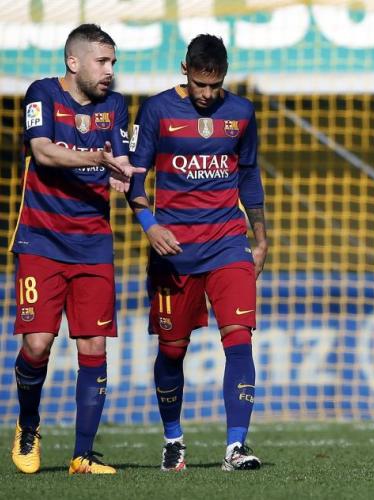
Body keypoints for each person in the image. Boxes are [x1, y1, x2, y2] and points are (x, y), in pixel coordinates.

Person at [127, 34, 268, 471]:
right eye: (200, 84)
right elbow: (134, 180)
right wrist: (150, 226)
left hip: (228, 243)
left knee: (239, 340)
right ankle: (173, 439)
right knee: (172, 349)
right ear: (184, 69)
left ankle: (235, 447)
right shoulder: (156, 110)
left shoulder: (241, 112)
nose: (207, 93)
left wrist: (261, 237)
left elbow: (249, 175)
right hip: (175, 251)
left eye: (216, 84)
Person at [10, 24, 143, 474]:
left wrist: (126, 175)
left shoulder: (115, 105)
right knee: (37, 343)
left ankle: (82, 456)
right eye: (102, 61)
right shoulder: (42, 94)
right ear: (73, 62)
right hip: (41, 239)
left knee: (93, 345)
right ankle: (29, 425)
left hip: (93, 244)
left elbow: (120, 160)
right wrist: (97, 159)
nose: (109, 71)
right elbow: (44, 152)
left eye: (113, 62)